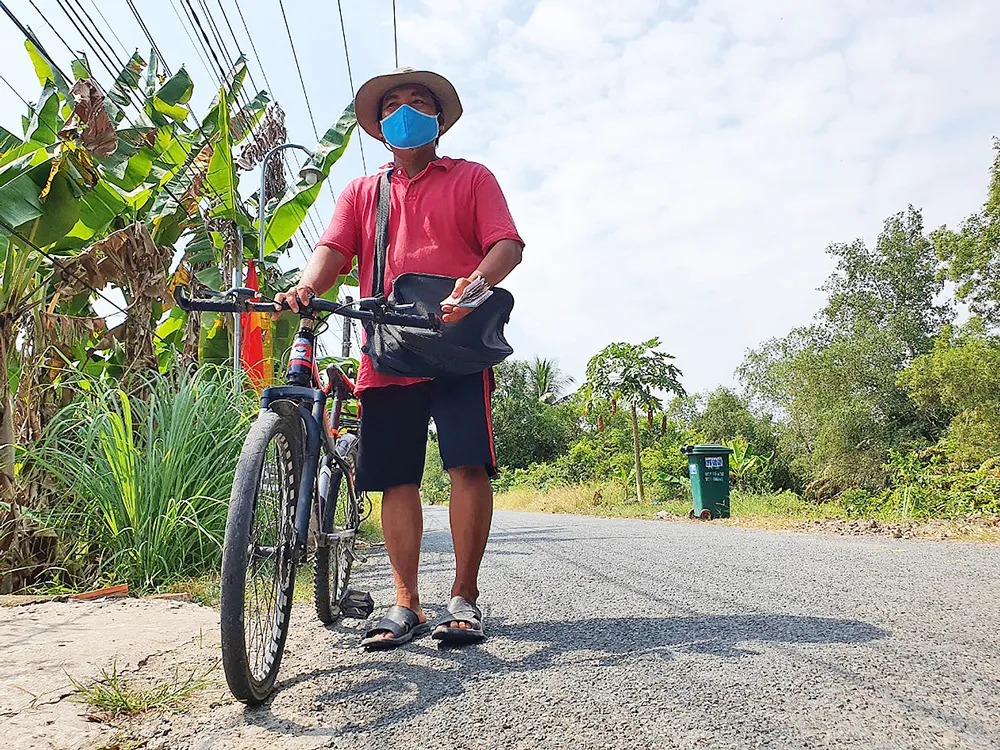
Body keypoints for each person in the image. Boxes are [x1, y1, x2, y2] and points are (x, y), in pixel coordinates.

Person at [275, 68, 524, 649]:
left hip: (458, 344)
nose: (405, 111)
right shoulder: (363, 192)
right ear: (379, 125)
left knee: (467, 465)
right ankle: (405, 602)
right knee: (396, 479)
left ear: (439, 119)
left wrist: (474, 288)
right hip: (385, 351)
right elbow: (330, 251)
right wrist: (306, 286)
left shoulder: (471, 178)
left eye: (418, 102)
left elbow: (506, 245)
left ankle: (463, 597)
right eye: (393, 105)